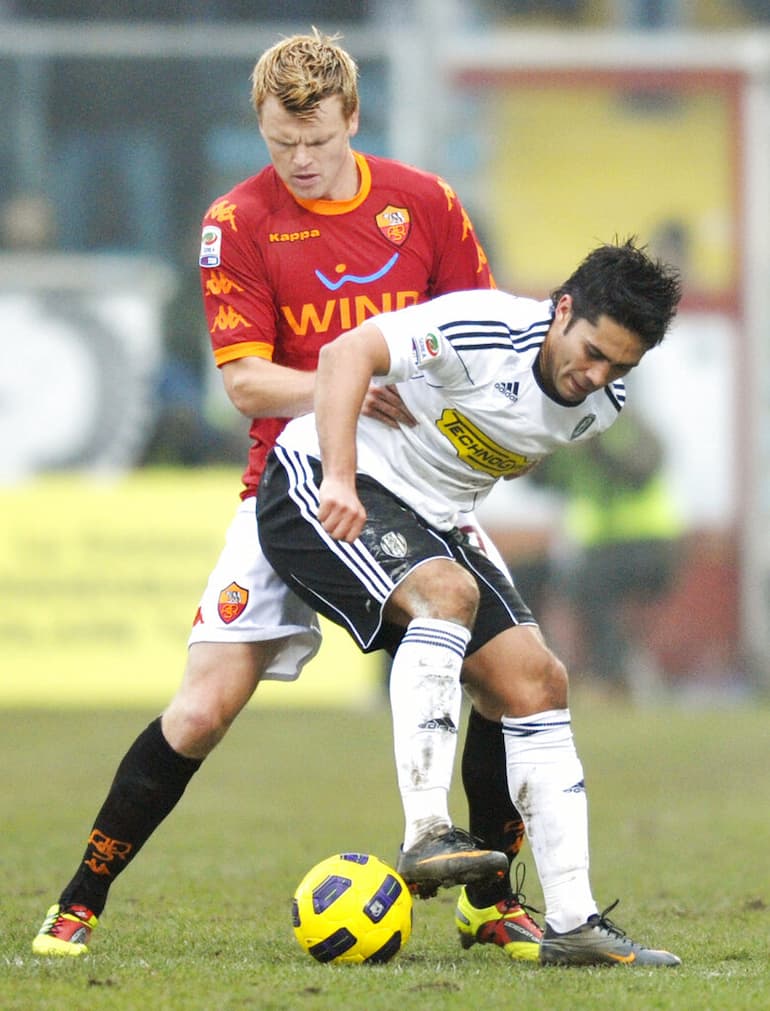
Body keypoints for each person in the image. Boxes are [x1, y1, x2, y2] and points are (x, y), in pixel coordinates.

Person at [32, 29, 540, 960]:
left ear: (353, 116)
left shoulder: (425, 206)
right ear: (259, 128)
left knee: (510, 682)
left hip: (418, 488)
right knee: (198, 712)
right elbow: (246, 384)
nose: (299, 162)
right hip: (295, 489)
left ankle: (492, 899)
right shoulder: (239, 220)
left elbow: (483, 336)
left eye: (316, 140)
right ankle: (79, 899)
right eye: (279, 142)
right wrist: (343, 385)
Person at [257, 239, 684, 967]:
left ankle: (575, 922)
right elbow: (342, 356)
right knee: (447, 594)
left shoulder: (602, 407)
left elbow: (477, 455)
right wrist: (338, 475)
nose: (598, 375)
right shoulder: (482, 329)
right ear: (563, 308)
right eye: (593, 352)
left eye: (621, 366)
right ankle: (427, 827)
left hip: (436, 518)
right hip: (321, 489)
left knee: (538, 680)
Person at [533, 406, 684, 701]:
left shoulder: (630, 426)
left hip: (651, 545)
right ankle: (544, 669)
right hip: (598, 551)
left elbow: (641, 469)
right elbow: (543, 482)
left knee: (593, 587)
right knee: (539, 579)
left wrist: (593, 444)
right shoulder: (566, 437)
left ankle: (611, 675)